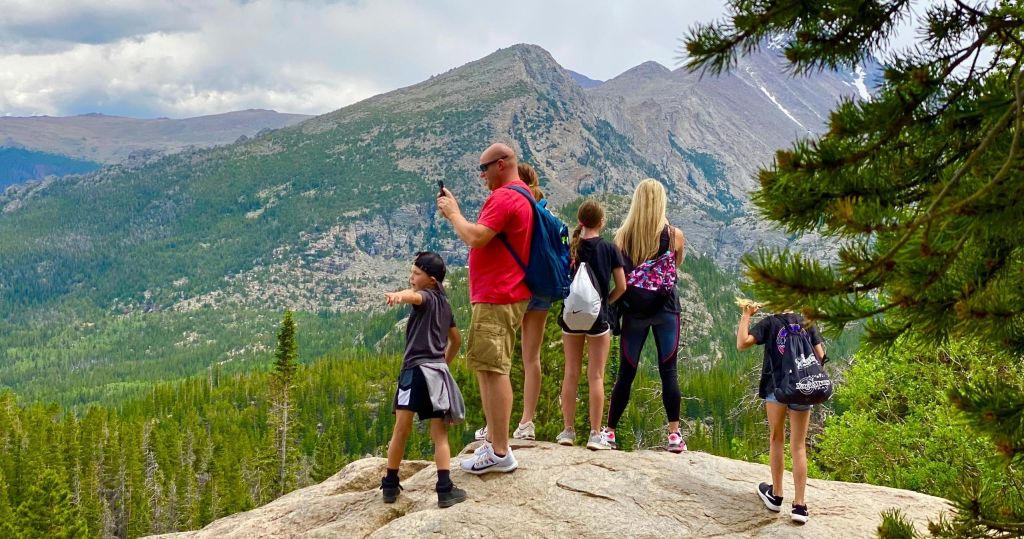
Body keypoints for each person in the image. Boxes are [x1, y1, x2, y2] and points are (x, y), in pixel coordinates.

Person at [437, 143, 532, 474]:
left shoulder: (505, 197)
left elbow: (476, 237)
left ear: (501, 164)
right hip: (503, 293)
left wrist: (453, 214)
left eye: (484, 168)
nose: (482, 176)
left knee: (494, 369)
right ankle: (494, 441)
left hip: (498, 294)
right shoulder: (522, 195)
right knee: (487, 366)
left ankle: (500, 451)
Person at [604, 178, 687, 452]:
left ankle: (610, 433)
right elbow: (676, 265)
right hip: (666, 309)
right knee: (669, 371)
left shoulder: (622, 236)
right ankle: (673, 435)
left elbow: (619, 275)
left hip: (634, 312)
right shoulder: (674, 235)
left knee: (626, 372)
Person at [380, 251, 467, 508]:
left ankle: (390, 483)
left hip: (413, 372)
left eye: (416, 273)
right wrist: (443, 364)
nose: (411, 277)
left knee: (401, 429)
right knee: (439, 434)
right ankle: (444, 488)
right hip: (435, 375)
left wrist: (399, 296)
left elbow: (414, 297)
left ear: (431, 280)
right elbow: (456, 340)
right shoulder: (446, 305)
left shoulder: (425, 296)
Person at [474, 162, 547, 443]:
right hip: (540, 288)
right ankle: (526, 422)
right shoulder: (542, 209)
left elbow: (482, 238)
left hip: (513, 285)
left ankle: (494, 430)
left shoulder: (515, 202)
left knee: (497, 362)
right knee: (531, 357)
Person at [736, 302, 825, 524]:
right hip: (802, 387)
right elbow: (820, 356)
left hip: (776, 388)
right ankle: (800, 506)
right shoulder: (806, 322)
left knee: (776, 439)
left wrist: (746, 315)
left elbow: (742, 343)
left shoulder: (770, 323)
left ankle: (776, 495)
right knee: (799, 445)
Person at [555, 199, 626, 450]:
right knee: (596, 375)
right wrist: (605, 303)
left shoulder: (571, 247)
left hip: (571, 317)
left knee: (571, 373)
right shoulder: (609, 248)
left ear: (580, 221)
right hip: (598, 319)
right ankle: (595, 434)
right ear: (601, 222)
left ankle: (568, 431)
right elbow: (622, 286)